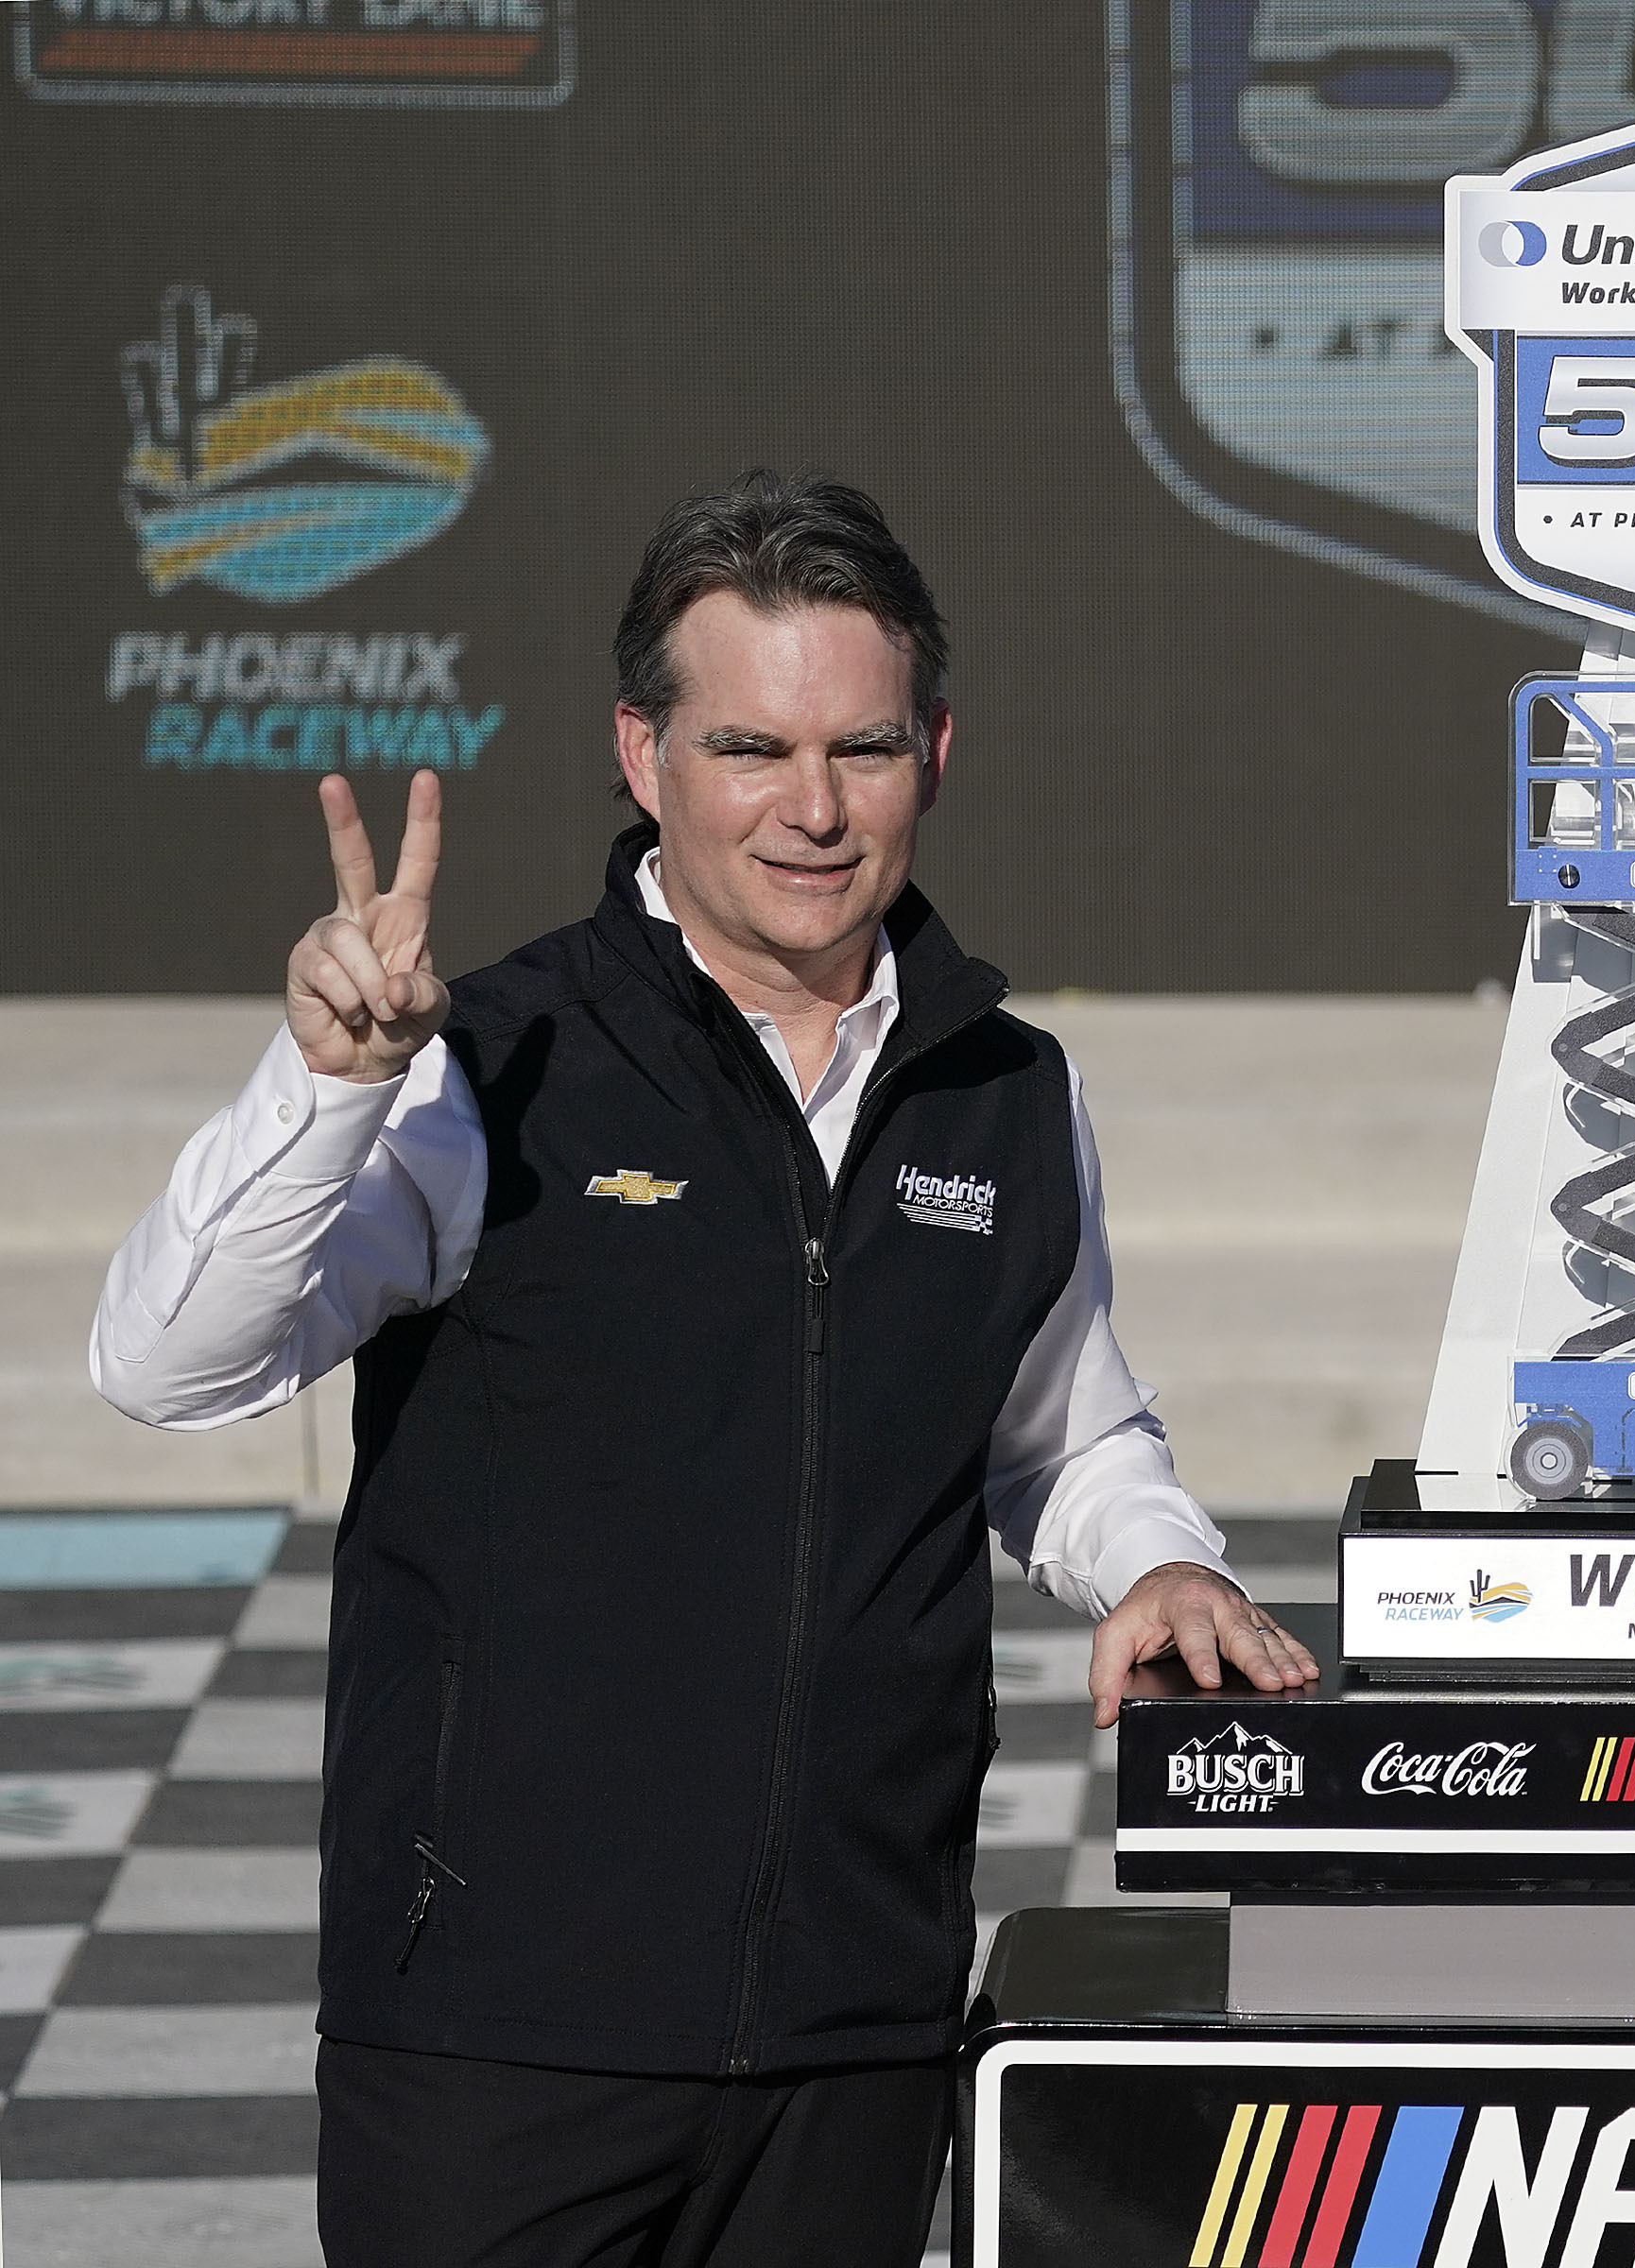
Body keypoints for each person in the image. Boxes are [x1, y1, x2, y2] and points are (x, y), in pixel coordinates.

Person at [92, 469, 1320, 2264]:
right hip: (499, 2037)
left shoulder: (1008, 1089)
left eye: (864, 750)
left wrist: (1154, 1555)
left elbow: (1058, 1423)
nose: (812, 812)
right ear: (642, 755)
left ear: (937, 752)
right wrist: (329, 1086)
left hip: (860, 2030)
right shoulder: (484, 1066)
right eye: (750, 748)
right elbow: (165, 1364)